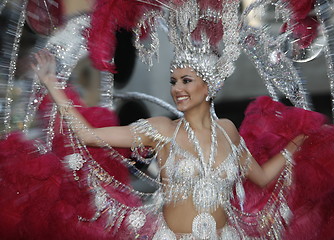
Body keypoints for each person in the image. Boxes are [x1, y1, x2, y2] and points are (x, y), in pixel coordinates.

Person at [32, 49, 305, 239]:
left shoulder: (228, 131)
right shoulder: (161, 130)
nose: (177, 89)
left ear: (209, 86)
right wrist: (51, 84)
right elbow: (89, 135)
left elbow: (262, 177)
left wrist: (297, 143)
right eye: (174, 81)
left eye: (187, 81)